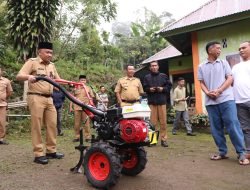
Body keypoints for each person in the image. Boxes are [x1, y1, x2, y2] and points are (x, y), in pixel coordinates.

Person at [198, 41, 249, 165]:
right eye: (217, 48)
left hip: (226, 99)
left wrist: (219, 91)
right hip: (211, 102)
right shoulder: (201, 66)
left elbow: (230, 78)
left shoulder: (224, 63)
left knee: (233, 125)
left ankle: (241, 153)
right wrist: (207, 92)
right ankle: (222, 152)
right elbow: (201, 82)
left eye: (220, 48)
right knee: (216, 129)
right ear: (210, 50)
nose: (220, 50)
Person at [16, 42, 64, 165]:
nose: (50, 55)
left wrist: (61, 85)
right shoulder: (32, 62)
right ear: (39, 52)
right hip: (35, 97)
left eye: (51, 53)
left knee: (52, 124)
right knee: (37, 125)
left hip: (49, 98)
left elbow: (57, 80)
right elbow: (19, 76)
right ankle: (38, 154)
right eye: (47, 52)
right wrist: (28, 77)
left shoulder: (52, 65)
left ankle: (51, 151)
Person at [143, 61, 172, 147]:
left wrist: (162, 89)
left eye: (155, 65)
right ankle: (153, 140)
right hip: (152, 102)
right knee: (152, 123)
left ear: (158, 67)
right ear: (150, 68)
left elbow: (169, 86)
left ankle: (164, 140)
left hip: (162, 102)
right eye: (152, 66)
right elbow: (144, 87)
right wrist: (149, 89)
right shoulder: (147, 77)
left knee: (163, 122)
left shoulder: (163, 76)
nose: (154, 67)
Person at [232, 41, 250, 159]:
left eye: (244, 47)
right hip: (239, 102)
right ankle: (248, 151)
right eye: (239, 49)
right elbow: (231, 82)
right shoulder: (235, 67)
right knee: (245, 128)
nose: (241, 50)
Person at [70, 75, 94, 142]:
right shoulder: (75, 88)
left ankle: (87, 137)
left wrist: (91, 106)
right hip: (77, 107)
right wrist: (70, 107)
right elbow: (72, 98)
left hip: (86, 108)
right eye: (81, 80)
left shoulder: (88, 88)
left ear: (86, 81)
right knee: (77, 123)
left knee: (86, 123)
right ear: (79, 81)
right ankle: (77, 137)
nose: (83, 81)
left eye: (84, 80)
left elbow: (92, 97)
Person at [0, 67, 13, 145]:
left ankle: (1, 138)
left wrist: (4, 98)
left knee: (2, 122)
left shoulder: (6, 81)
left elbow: (9, 92)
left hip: (2, 105)